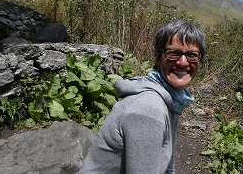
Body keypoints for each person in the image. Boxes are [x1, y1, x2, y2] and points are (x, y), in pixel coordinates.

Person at [78, 18, 205, 174]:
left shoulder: (173, 99)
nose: (183, 62)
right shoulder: (148, 109)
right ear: (158, 57)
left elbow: (168, 165)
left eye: (192, 55)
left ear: (199, 61)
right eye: (173, 53)